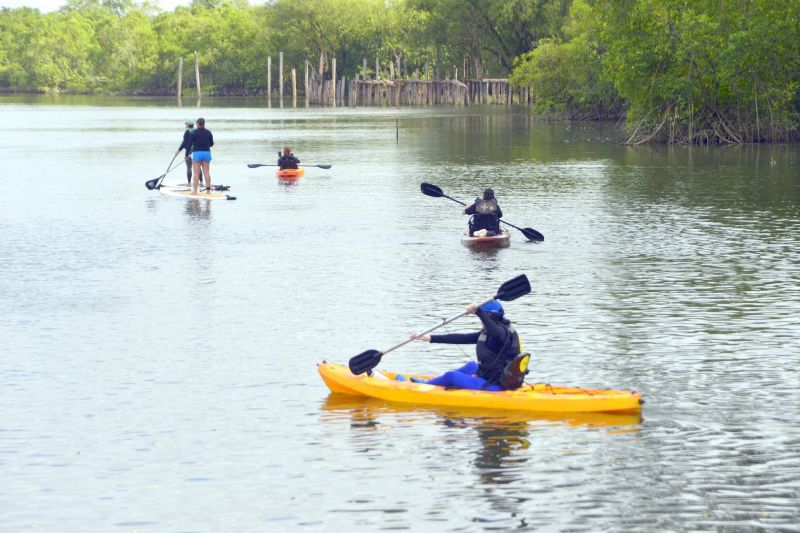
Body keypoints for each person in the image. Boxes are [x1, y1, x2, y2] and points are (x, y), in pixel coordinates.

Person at [407, 300, 523, 391]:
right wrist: (429, 338)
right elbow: (461, 337)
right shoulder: (496, 331)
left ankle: (424, 387)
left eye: (482, 318)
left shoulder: (499, 335)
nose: (480, 321)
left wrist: (479, 312)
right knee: (471, 366)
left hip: (494, 384)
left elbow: (497, 334)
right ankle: (434, 382)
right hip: (499, 377)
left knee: (451, 376)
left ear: (488, 317)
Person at [188, 117, 213, 194]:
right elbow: (211, 144)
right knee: (206, 172)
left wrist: (186, 154)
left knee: (196, 172)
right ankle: (208, 191)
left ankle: (195, 191)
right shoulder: (208, 132)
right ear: (204, 124)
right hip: (207, 153)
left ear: (197, 124)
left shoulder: (194, 132)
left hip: (197, 153)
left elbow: (189, 144)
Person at [175, 120, 201, 186]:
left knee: (189, 167)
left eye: (185, 124)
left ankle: (189, 183)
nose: (185, 125)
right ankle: (201, 182)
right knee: (198, 167)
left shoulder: (187, 132)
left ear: (188, 125)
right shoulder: (196, 131)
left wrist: (178, 150)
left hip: (189, 151)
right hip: (197, 151)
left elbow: (184, 143)